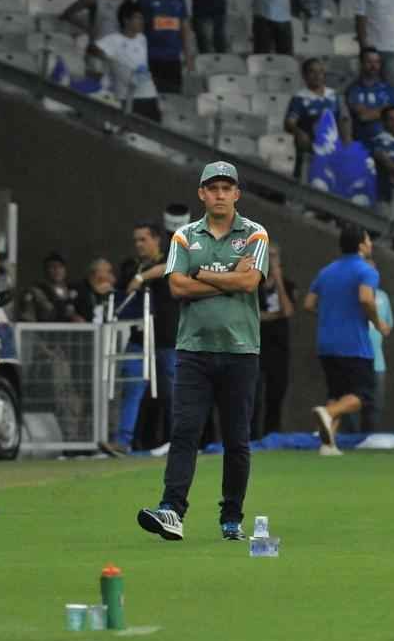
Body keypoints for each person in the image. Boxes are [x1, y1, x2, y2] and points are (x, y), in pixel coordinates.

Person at [137, 161, 269, 542]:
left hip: (241, 350)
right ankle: (171, 511)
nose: (220, 194)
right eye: (213, 188)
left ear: (237, 194)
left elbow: (250, 283)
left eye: (227, 188)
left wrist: (203, 274)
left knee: (236, 439)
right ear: (202, 193)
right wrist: (229, 278)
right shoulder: (183, 236)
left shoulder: (255, 233)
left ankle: (231, 518)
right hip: (193, 350)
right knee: (185, 432)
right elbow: (176, 289)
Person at [304, 224, 390, 456]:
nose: (371, 244)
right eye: (369, 239)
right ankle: (328, 413)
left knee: (338, 393)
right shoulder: (366, 270)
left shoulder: (326, 271)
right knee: (363, 396)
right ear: (362, 245)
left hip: (326, 343)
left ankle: (328, 444)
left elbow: (309, 304)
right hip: (353, 344)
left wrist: (331, 315)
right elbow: (365, 298)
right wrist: (378, 322)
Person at [114, 223, 175, 452]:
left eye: (143, 239)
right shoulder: (132, 266)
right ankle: (122, 442)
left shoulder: (170, 258)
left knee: (171, 394)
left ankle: (177, 441)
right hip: (138, 338)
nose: (139, 244)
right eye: (136, 240)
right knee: (132, 386)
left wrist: (142, 278)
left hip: (166, 339)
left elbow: (170, 267)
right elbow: (121, 292)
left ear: (156, 239)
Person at [88, 1, 161, 122]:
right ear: (126, 20)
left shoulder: (142, 38)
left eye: (142, 18)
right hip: (127, 96)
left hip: (149, 94)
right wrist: (110, 60)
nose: (142, 21)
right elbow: (91, 48)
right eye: (138, 18)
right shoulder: (113, 39)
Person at [254, 242, 296, 439]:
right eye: (266, 255)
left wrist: (277, 278)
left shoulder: (288, 285)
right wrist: (273, 315)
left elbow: (287, 311)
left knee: (275, 395)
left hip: (279, 348)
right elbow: (251, 314)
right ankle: (252, 438)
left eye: (274, 256)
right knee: (253, 397)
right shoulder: (252, 283)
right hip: (255, 346)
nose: (270, 260)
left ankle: (272, 437)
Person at [138, 0, 194, 95]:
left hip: (173, 58)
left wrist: (188, 56)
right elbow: (138, 28)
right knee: (150, 96)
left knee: (174, 97)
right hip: (152, 56)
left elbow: (185, 28)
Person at [285, 57, 343, 180]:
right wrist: (299, 132)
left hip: (333, 149)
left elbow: (343, 120)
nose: (317, 76)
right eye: (312, 72)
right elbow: (289, 123)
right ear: (304, 75)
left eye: (320, 72)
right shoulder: (299, 98)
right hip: (310, 149)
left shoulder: (333, 96)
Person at [346, 48, 394, 152]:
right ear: (361, 64)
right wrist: (385, 109)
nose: (374, 66)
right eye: (369, 62)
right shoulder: (353, 90)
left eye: (377, 62)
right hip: (362, 147)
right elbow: (363, 116)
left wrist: (371, 112)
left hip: (387, 147)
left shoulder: (389, 89)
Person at [364, 262, 393, 431]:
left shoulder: (383, 297)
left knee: (376, 405)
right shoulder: (355, 295)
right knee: (354, 403)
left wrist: (381, 325)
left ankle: (370, 439)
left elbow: (388, 327)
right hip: (357, 358)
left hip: (378, 361)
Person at [18, 252, 81, 322]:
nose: (57, 270)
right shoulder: (35, 292)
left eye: (60, 266)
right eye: (52, 266)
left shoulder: (73, 291)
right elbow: (27, 320)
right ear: (45, 270)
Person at [73, 258, 116, 323]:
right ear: (95, 273)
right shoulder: (80, 291)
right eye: (108, 271)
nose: (110, 275)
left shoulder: (111, 293)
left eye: (110, 272)